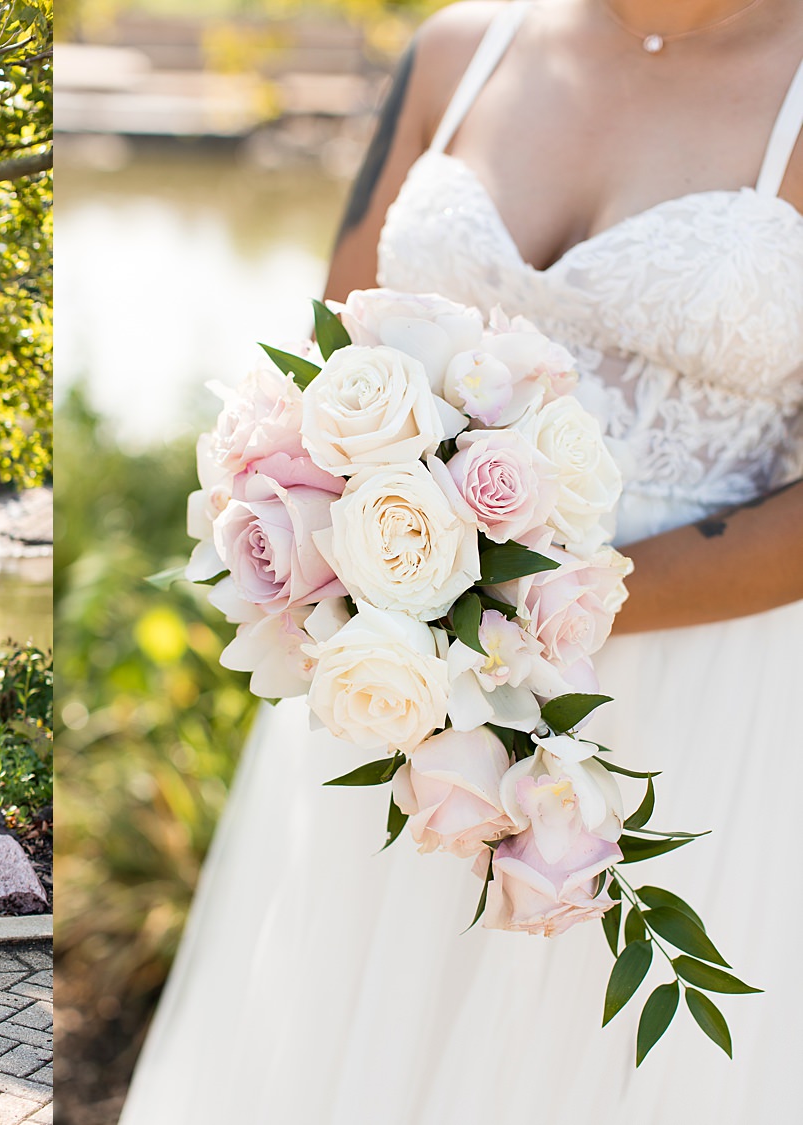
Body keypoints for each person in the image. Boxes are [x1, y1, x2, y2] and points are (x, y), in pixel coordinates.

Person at [119, 0, 803, 1120]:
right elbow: (327, 352)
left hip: (691, 697)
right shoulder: (457, 48)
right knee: (352, 1038)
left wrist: (524, 605)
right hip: (400, 688)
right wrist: (343, 551)